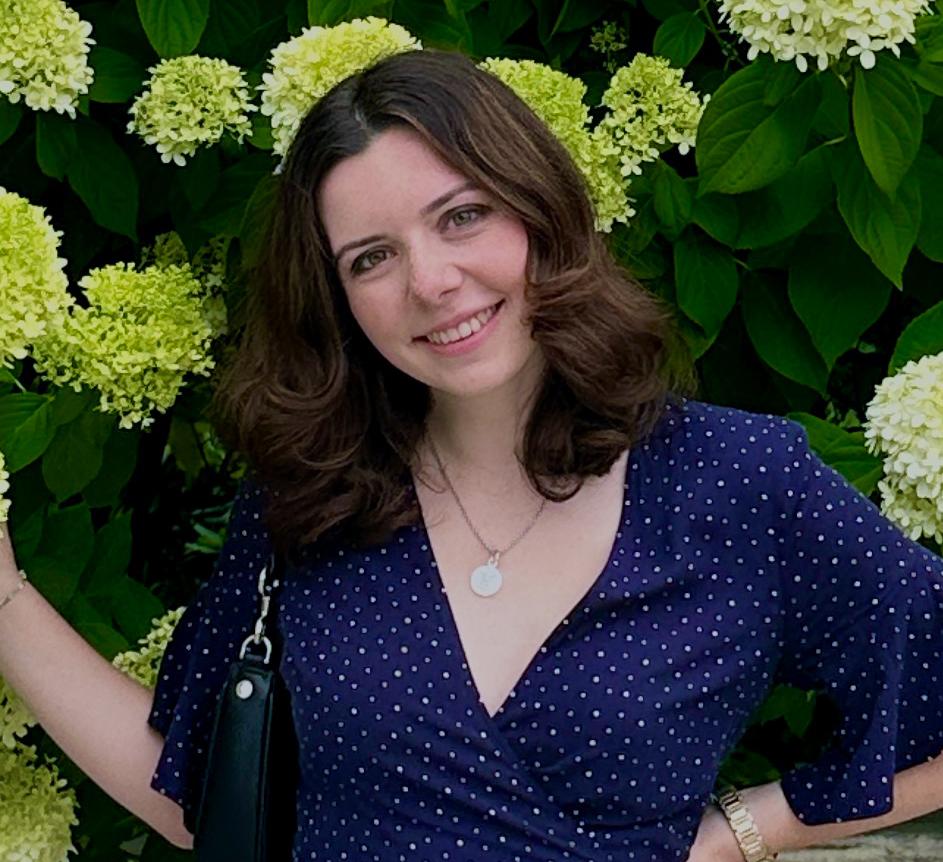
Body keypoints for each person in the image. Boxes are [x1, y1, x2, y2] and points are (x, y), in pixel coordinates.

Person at [2, 46, 943, 862]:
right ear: (337, 300)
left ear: (538, 209)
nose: (430, 282)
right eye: (369, 257)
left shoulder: (738, 483)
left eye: (461, 217)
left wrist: (751, 827)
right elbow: (196, 799)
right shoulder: (312, 497)